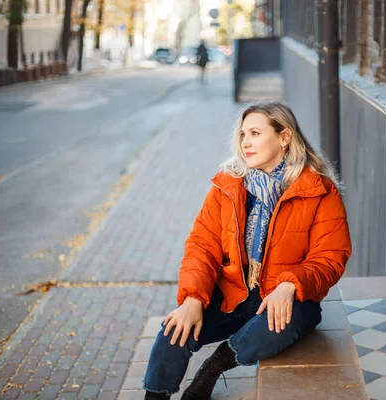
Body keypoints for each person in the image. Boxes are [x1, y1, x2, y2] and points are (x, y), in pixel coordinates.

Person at [143, 100, 352, 400]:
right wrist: (193, 298)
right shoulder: (227, 186)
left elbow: (331, 256)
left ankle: (212, 369)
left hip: (288, 300)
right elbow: (203, 245)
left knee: (277, 325)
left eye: (255, 133)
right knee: (174, 329)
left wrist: (289, 284)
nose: (245, 143)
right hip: (235, 296)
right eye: (242, 135)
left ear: (284, 137)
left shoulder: (318, 190)